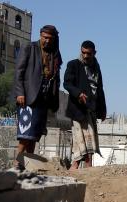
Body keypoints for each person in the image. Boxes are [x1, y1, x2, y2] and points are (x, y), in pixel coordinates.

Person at [13, 25, 63, 161]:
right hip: (28, 96)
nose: (47, 40)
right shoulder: (29, 47)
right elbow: (19, 72)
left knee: (34, 134)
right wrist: (20, 92)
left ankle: (29, 162)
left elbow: (56, 76)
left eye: (50, 38)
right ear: (40, 35)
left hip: (43, 98)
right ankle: (17, 162)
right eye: (45, 37)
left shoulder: (54, 54)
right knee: (25, 133)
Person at [64, 40, 107, 170]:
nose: (86, 56)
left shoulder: (96, 68)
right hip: (78, 110)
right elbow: (67, 83)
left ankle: (86, 171)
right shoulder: (73, 64)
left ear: (94, 53)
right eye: (83, 53)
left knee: (89, 144)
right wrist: (78, 94)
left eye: (89, 53)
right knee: (81, 142)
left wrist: (102, 110)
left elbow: (100, 89)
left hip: (91, 110)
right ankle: (78, 170)